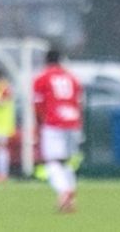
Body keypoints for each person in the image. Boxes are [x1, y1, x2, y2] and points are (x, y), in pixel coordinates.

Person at [33, 48, 83, 213]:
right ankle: (71, 199)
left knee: (51, 162)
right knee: (66, 162)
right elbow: (79, 101)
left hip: (53, 122)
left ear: (46, 61)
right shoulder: (72, 78)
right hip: (73, 122)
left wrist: (40, 124)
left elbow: (38, 105)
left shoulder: (41, 78)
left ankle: (64, 192)